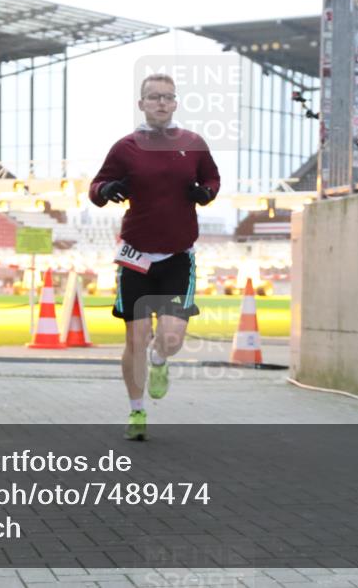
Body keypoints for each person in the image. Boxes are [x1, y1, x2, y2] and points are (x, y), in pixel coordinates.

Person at [89, 73, 220, 440]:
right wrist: (107, 188)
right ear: (141, 104)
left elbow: (212, 178)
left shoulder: (193, 143)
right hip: (135, 256)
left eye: (167, 97)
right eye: (153, 97)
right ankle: (136, 411)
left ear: (175, 104)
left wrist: (205, 193)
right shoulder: (126, 147)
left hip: (178, 256)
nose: (161, 103)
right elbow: (95, 189)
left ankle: (161, 360)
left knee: (172, 337)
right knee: (135, 339)